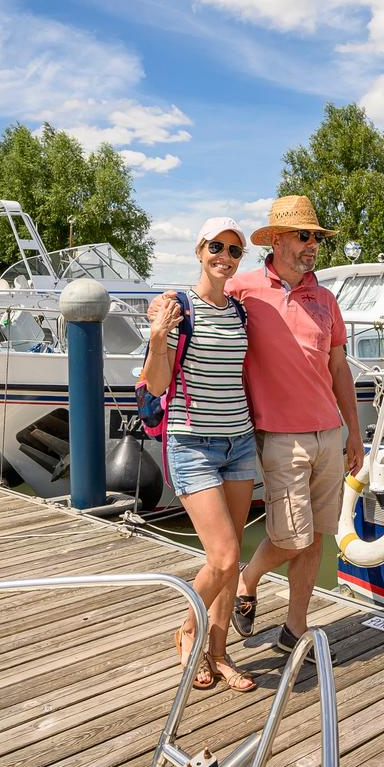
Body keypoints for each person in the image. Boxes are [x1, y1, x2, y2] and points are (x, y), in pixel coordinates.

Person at [223, 196, 363, 654]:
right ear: (277, 241)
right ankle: (248, 578)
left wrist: (353, 431)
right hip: (280, 435)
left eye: (316, 237)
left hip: (328, 434)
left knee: (317, 535)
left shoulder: (325, 299)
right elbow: (203, 307)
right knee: (292, 537)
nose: (312, 245)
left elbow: (338, 368)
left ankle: (294, 629)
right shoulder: (242, 290)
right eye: (304, 236)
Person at [140, 216, 258, 692]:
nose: (224, 257)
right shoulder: (177, 308)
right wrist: (157, 338)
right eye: (216, 247)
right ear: (199, 250)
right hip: (192, 443)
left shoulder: (239, 311)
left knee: (232, 559)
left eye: (234, 250)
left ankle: (220, 652)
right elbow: (157, 385)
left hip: (240, 443)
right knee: (224, 556)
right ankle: (188, 629)